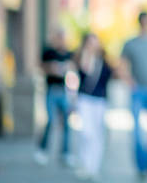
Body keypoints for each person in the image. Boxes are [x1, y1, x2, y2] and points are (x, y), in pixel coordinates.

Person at [121, 11, 147, 178]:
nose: (146, 25)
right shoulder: (130, 44)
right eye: (144, 22)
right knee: (138, 133)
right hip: (138, 91)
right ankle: (141, 167)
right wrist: (130, 82)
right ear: (140, 23)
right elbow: (122, 66)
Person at [74, 33, 114, 181]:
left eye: (95, 42)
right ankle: (85, 163)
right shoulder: (82, 58)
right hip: (84, 99)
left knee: (97, 135)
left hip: (100, 101)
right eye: (90, 43)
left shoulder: (104, 61)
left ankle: (93, 167)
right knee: (86, 133)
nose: (93, 45)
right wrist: (87, 56)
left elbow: (111, 76)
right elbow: (83, 73)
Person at [35, 27, 75, 167]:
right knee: (51, 121)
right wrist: (51, 68)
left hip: (64, 91)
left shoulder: (69, 54)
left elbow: (73, 70)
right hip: (51, 90)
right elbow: (41, 66)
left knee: (66, 123)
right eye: (59, 37)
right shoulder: (49, 52)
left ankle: (65, 153)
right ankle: (42, 149)